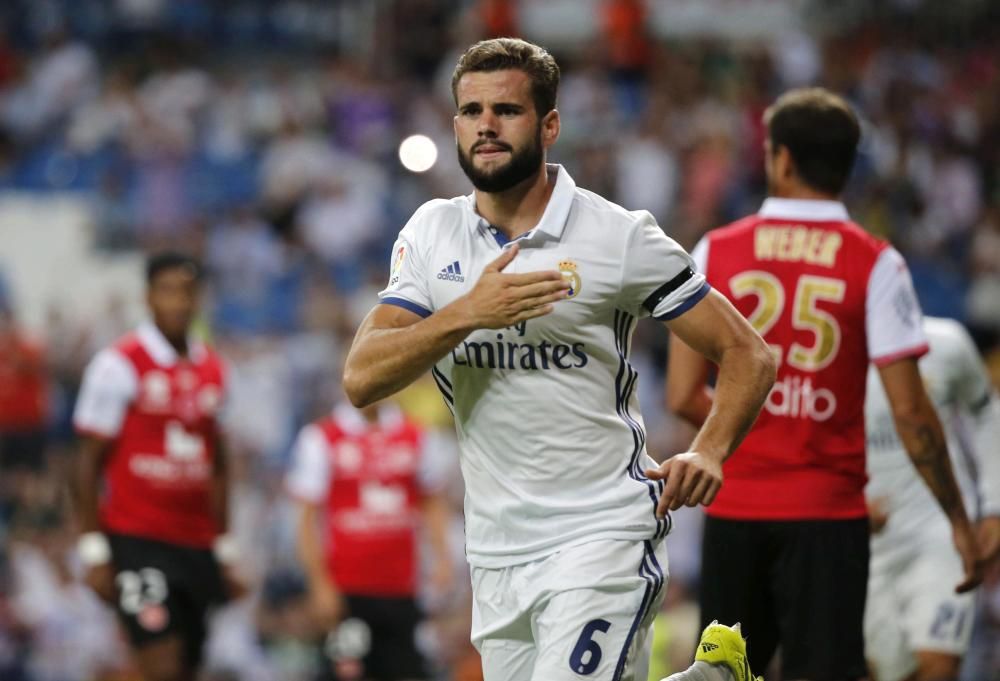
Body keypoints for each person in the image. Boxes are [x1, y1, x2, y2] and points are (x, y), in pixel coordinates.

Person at [343, 38, 776, 681]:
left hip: (603, 531)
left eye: (506, 110)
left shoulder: (618, 237)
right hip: (495, 550)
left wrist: (709, 449)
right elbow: (361, 377)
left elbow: (748, 353)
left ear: (549, 124)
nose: (485, 125)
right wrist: (468, 311)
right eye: (470, 111)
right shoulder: (431, 234)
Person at [666, 88, 984, 681]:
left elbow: (682, 394)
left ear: (780, 159)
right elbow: (913, 415)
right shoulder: (875, 262)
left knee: (722, 676)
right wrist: (960, 525)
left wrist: (758, 435)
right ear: (847, 164)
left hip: (735, 510)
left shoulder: (717, 249)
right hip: (828, 517)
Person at [72, 252, 240, 681]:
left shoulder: (214, 369)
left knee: (186, 665)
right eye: (167, 291)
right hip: (137, 539)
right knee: (160, 660)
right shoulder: (119, 365)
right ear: (148, 297)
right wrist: (94, 551)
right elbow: (85, 464)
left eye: (187, 292)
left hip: (196, 542)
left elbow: (218, 463)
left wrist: (224, 547)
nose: (178, 303)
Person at [864, 316, 1000, 681]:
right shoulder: (824, 354)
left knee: (938, 666)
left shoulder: (947, 343)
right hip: (860, 536)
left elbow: (986, 412)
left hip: (939, 527)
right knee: (880, 670)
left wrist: (993, 507)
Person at [286, 399, 454, 681]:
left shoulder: (416, 436)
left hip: (402, 591)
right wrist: (319, 584)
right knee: (347, 673)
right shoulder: (322, 438)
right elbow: (306, 519)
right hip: (346, 592)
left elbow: (432, 502)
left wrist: (442, 559)